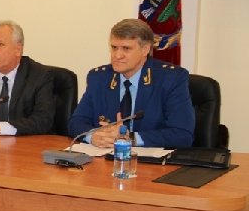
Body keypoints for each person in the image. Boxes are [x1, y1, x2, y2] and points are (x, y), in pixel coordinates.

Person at [68, 18, 195, 148]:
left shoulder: (171, 80)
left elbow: (183, 134)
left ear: (145, 49)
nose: (117, 55)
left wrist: (130, 138)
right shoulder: (99, 78)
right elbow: (76, 122)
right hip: (105, 157)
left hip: (151, 159)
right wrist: (93, 136)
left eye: (126, 48)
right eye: (114, 48)